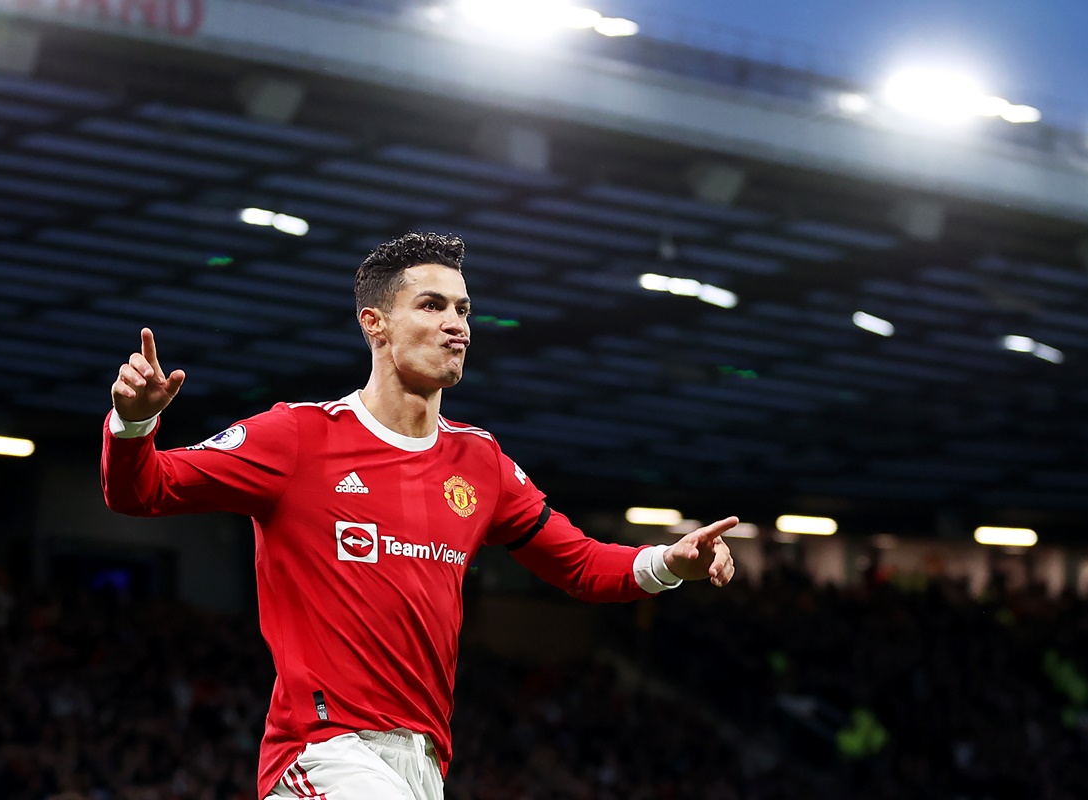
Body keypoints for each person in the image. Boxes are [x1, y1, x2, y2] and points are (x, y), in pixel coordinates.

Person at [102, 231, 737, 800]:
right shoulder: (296, 436)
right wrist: (134, 421)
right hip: (322, 755)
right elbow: (144, 490)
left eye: (463, 309)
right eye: (432, 306)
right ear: (373, 324)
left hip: (424, 762)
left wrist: (671, 561)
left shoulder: (480, 461)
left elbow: (582, 566)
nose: (456, 324)